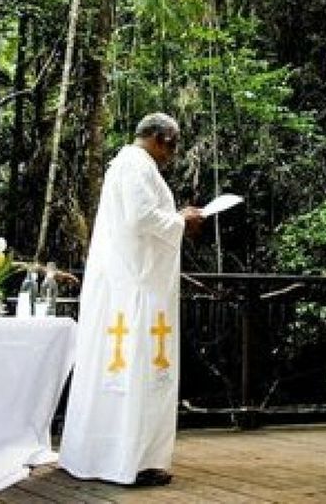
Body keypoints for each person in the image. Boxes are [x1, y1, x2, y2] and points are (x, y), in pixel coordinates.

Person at [59, 112, 204, 486]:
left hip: (135, 281)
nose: (173, 152)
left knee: (137, 370)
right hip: (134, 285)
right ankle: (126, 460)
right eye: (172, 143)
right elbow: (140, 218)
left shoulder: (131, 166)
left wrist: (176, 220)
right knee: (133, 368)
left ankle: (129, 457)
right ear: (158, 137)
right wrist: (180, 220)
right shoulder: (135, 165)